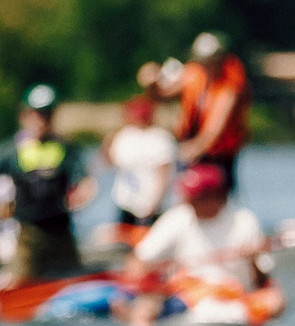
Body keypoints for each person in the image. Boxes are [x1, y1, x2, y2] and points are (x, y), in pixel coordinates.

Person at [122, 162, 277, 326]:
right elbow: (139, 259)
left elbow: (263, 280)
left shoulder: (244, 221)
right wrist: (145, 273)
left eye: (196, 197)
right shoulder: (179, 217)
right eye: (189, 196)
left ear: (219, 197)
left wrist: (252, 258)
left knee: (275, 300)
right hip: (186, 294)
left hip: (235, 295)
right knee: (146, 307)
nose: (188, 201)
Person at [1, 86, 96, 286]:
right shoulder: (12, 151)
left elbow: (84, 180)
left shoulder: (66, 149)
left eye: (47, 114)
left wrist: (82, 193)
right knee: (17, 285)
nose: (41, 120)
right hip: (29, 234)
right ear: (24, 115)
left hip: (60, 231)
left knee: (74, 284)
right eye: (36, 114)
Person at [175, 32, 251, 189]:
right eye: (204, 62)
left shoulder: (230, 83)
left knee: (218, 198)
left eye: (212, 61)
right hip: (191, 147)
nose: (208, 66)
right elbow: (164, 93)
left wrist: (193, 149)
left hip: (219, 156)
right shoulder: (193, 73)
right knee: (186, 193)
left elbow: (216, 125)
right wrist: (152, 81)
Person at [102, 93, 178, 242]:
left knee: (151, 245)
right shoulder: (124, 136)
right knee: (124, 244)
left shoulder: (160, 138)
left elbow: (164, 174)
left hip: (152, 207)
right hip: (126, 204)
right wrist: (107, 144)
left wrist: (153, 205)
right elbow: (109, 163)